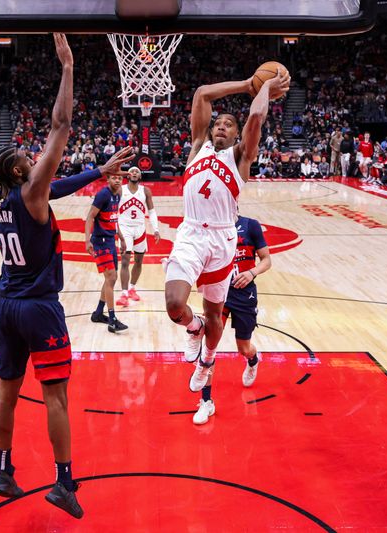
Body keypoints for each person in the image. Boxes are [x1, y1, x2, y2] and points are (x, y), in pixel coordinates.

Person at [0, 34, 133, 519]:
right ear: (22, 171)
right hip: (40, 307)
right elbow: (61, 124)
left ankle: (4, 470)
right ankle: (64, 483)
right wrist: (67, 67)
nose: (34, 157)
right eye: (28, 159)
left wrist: (95, 172)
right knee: (56, 396)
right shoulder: (30, 192)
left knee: (7, 388)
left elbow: (53, 188)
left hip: (6, 304)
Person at [163, 67, 290, 394]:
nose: (221, 126)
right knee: (175, 304)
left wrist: (262, 92)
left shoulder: (241, 157)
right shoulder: (196, 147)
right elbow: (202, 92)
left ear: (236, 135)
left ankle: (207, 361)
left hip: (221, 240)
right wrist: (248, 83)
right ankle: (194, 329)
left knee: (215, 313)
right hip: (191, 233)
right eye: (217, 123)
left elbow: (256, 118)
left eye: (229, 124)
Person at [193, 212, 272, 425]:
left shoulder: (251, 225)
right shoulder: (207, 226)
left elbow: (267, 259)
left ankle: (253, 360)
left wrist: (252, 272)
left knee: (243, 348)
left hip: (244, 293)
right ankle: (206, 401)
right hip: (218, 292)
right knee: (208, 345)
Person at [85, 172, 130, 333]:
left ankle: (98, 313)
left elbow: (114, 219)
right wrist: (87, 240)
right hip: (100, 241)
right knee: (111, 277)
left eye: (119, 178)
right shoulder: (103, 195)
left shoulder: (118, 193)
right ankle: (112, 320)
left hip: (111, 240)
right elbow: (90, 217)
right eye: (114, 177)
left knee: (111, 277)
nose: (117, 180)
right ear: (108, 179)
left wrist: (122, 238)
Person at [116, 166, 161, 307]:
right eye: (132, 171)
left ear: (140, 176)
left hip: (140, 228)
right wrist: (114, 228)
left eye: (137, 172)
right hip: (124, 228)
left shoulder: (145, 191)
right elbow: (112, 208)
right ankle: (123, 294)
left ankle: (132, 288)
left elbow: (152, 211)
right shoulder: (120, 190)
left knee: (139, 261)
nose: (135, 173)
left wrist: (156, 229)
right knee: (125, 260)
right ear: (128, 175)